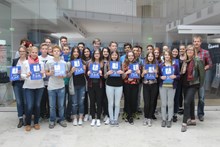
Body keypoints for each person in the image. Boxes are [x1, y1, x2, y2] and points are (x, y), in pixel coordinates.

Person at [181, 45, 205, 132]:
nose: (190, 51)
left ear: (194, 51)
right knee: (190, 102)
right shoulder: (185, 61)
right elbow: (182, 73)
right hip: (185, 85)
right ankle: (193, 119)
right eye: (188, 50)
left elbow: (202, 75)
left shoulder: (198, 61)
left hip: (194, 84)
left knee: (186, 102)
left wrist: (200, 86)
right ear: (186, 51)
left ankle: (184, 123)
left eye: (191, 50)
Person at [21, 46, 45, 131]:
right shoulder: (25, 63)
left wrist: (43, 74)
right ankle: (28, 123)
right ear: (29, 53)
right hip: (28, 87)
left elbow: (44, 75)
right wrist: (26, 75)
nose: (34, 54)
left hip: (39, 86)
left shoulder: (41, 63)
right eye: (32, 52)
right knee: (29, 106)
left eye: (35, 52)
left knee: (37, 105)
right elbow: (22, 75)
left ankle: (36, 122)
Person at [45, 45, 68, 129]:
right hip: (51, 87)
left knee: (61, 105)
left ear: (60, 52)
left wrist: (63, 75)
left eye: (58, 51)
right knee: (52, 106)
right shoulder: (48, 62)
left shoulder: (64, 63)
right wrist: (50, 73)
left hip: (61, 86)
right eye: (54, 51)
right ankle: (52, 120)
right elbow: (46, 73)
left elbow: (65, 74)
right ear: (52, 52)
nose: (56, 52)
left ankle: (61, 119)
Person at [193, 36, 212, 121]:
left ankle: (200, 114)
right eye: (195, 41)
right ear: (193, 42)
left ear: (200, 42)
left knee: (201, 98)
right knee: (191, 97)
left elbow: (210, 64)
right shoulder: (190, 52)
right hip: (192, 79)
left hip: (201, 79)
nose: (196, 43)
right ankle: (191, 114)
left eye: (198, 41)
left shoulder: (205, 52)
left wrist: (204, 68)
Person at [159, 50, 179, 128]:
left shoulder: (175, 66)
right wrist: (161, 77)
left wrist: (175, 77)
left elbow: (178, 76)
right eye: (165, 55)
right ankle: (164, 119)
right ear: (164, 56)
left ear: (171, 56)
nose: (167, 56)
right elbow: (158, 76)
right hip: (163, 86)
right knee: (163, 104)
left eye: (168, 55)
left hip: (171, 86)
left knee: (170, 103)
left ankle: (169, 119)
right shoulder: (161, 65)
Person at [105, 50, 124, 126]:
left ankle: (116, 119)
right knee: (110, 103)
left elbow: (124, 76)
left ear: (118, 56)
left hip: (119, 85)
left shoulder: (121, 64)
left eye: (116, 55)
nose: (114, 56)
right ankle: (111, 119)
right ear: (110, 56)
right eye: (113, 55)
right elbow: (104, 76)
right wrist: (107, 73)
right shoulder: (107, 64)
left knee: (117, 103)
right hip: (109, 85)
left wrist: (122, 73)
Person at [68, 47, 86, 126]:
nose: (76, 53)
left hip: (82, 84)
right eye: (74, 51)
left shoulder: (83, 62)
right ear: (72, 53)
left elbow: (86, 75)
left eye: (77, 52)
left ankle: (80, 118)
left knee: (81, 102)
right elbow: (67, 75)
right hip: (74, 85)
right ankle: (75, 118)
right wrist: (71, 71)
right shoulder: (69, 63)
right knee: (74, 103)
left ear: (79, 53)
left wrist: (85, 70)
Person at [122, 51, 140, 125]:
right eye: (129, 56)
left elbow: (139, 76)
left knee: (134, 99)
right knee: (127, 99)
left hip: (135, 84)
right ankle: (129, 116)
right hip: (127, 84)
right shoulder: (124, 64)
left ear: (134, 56)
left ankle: (132, 113)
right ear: (127, 56)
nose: (130, 57)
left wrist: (139, 73)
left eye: (132, 56)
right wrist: (126, 73)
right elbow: (122, 76)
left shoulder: (137, 64)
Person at [87, 49, 104, 127]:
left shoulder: (103, 63)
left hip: (99, 85)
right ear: (93, 55)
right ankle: (93, 118)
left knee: (99, 102)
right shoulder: (89, 63)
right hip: (91, 85)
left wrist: (101, 74)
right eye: (95, 53)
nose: (97, 55)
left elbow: (106, 76)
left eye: (98, 53)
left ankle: (98, 118)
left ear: (100, 54)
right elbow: (86, 74)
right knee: (92, 101)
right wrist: (88, 73)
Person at [141, 52, 158, 127]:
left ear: (153, 57)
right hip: (146, 85)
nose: (150, 57)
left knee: (152, 102)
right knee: (146, 102)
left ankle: (150, 118)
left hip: (154, 85)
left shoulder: (156, 66)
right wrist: (143, 73)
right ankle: (145, 117)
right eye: (149, 56)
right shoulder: (144, 65)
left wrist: (156, 73)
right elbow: (141, 76)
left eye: (152, 56)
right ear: (147, 57)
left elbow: (157, 76)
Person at [12, 46, 27, 128]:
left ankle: (25, 117)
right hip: (17, 83)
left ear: (26, 52)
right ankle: (20, 118)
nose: (21, 53)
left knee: (25, 102)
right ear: (18, 52)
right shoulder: (15, 61)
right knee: (19, 102)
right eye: (20, 51)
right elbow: (13, 72)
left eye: (23, 51)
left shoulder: (28, 61)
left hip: (26, 83)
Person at [38, 43, 53, 119]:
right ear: (40, 50)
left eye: (46, 49)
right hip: (40, 82)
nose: (44, 50)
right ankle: (42, 114)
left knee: (49, 100)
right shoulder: (37, 58)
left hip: (50, 82)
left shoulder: (51, 58)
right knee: (42, 100)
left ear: (48, 50)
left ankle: (50, 114)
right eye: (43, 48)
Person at [61, 45, 72, 122]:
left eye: (67, 49)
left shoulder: (72, 59)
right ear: (62, 50)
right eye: (64, 49)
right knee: (63, 100)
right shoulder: (59, 59)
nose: (66, 51)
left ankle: (68, 115)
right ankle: (63, 115)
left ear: (69, 50)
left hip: (71, 82)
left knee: (71, 100)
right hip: (62, 82)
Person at [81, 47, 92, 122]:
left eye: (87, 51)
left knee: (91, 98)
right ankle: (85, 113)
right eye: (85, 52)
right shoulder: (81, 61)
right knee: (84, 98)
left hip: (91, 81)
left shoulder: (93, 60)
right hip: (83, 81)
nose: (86, 53)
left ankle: (91, 113)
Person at [101, 47, 111, 124]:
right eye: (104, 51)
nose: (105, 53)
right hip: (100, 82)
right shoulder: (99, 61)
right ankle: (105, 113)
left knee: (108, 99)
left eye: (107, 51)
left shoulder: (111, 61)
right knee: (103, 98)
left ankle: (109, 114)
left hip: (109, 82)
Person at [171, 48, 180, 122]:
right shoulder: (168, 60)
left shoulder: (180, 60)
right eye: (173, 51)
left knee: (176, 98)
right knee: (170, 99)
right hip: (168, 82)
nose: (174, 53)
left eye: (176, 51)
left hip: (177, 81)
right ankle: (169, 113)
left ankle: (175, 114)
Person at [178, 45, 187, 114]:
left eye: (183, 49)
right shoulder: (177, 58)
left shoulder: (187, 57)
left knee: (186, 94)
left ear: (185, 49)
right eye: (180, 49)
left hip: (186, 79)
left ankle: (186, 108)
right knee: (179, 93)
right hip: (179, 79)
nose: (181, 50)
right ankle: (180, 107)